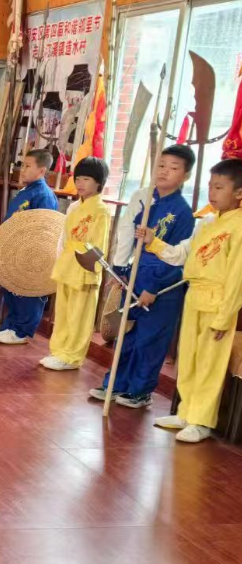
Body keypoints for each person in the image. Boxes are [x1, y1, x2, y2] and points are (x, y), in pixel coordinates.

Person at [141, 158, 242, 442]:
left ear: (239, 192)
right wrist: (153, 241)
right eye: (210, 186)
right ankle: (186, 411)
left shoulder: (239, 227)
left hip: (218, 300)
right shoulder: (207, 223)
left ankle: (202, 420)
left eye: (219, 187)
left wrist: (225, 315)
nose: (212, 192)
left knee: (210, 362)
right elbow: (180, 254)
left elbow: (237, 277)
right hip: (194, 294)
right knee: (188, 358)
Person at [90, 144, 197, 409]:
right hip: (137, 276)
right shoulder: (147, 202)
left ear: (185, 175)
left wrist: (155, 287)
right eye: (161, 165)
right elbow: (131, 241)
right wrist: (123, 272)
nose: (164, 171)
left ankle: (140, 391)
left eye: (173, 168)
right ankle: (115, 384)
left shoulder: (183, 212)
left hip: (162, 286)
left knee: (149, 342)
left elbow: (178, 259)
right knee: (126, 336)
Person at [41, 157, 111, 370]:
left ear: (99, 182)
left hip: (85, 267)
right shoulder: (74, 207)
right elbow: (64, 239)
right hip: (68, 263)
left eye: (86, 179)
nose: (80, 183)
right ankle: (58, 350)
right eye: (78, 178)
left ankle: (71, 357)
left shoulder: (101, 210)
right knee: (63, 311)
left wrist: (91, 272)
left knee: (79, 315)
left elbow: (98, 245)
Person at [0, 149, 59, 345]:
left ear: (42, 171)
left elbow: (43, 227)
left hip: (32, 254)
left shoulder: (43, 195)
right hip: (15, 251)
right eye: (22, 165)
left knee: (29, 293)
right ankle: (10, 326)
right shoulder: (26, 191)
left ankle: (21, 332)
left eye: (28, 166)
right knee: (13, 290)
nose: (23, 169)